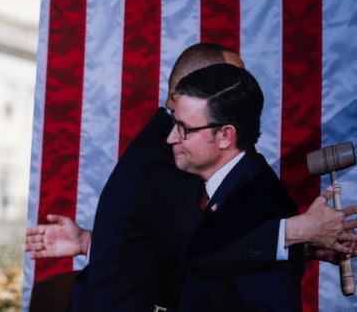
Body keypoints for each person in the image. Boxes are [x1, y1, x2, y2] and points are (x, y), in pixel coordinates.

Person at [26, 43, 357, 311]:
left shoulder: (229, 175)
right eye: (226, 82)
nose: (239, 93)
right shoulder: (168, 161)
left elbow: (188, 249)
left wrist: (89, 240)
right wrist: (297, 232)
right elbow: (195, 251)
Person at [169, 63, 301, 310]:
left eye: (184, 129)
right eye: (174, 123)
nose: (171, 138)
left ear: (225, 136)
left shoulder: (262, 206)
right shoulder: (207, 187)